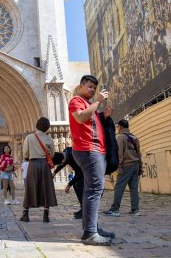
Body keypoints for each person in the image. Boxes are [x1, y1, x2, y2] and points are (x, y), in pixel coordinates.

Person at [69, 75, 116, 245]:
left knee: (94, 189)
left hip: (96, 150)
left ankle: (92, 227)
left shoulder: (90, 105)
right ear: (81, 86)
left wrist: (102, 115)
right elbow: (81, 118)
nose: (92, 90)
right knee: (94, 189)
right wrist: (97, 101)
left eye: (94, 88)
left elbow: (90, 123)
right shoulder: (76, 100)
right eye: (89, 86)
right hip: (87, 149)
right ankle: (90, 232)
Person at [20, 117, 57, 223]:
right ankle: (46, 216)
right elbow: (53, 154)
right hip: (45, 164)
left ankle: (26, 215)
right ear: (47, 127)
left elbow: (25, 153)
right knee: (46, 188)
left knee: (30, 187)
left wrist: (29, 157)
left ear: (37, 125)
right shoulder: (49, 139)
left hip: (33, 164)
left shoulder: (29, 137)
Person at [103, 119, 143, 217]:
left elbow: (119, 153)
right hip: (136, 165)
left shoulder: (120, 137)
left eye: (118, 127)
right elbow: (139, 153)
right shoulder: (134, 137)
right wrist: (140, 166)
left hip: (126, 165)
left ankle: (115, 209)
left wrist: (119, 166)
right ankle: (135, 209)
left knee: (119, 187)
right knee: (134, 188)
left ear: (120, 127)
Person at [52, 147, 87, 220]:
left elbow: (79, 173)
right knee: (76, 185)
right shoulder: (66, 152)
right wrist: (54, 173)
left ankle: (85, 211)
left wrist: (69, 184)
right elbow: (62, 164)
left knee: (80, 187)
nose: (62, 163)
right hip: (80, 171)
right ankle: (83, 209)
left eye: (61, 162)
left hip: (86, 170)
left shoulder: (74, 157)